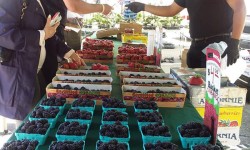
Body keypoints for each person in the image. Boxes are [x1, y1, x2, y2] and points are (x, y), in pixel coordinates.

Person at [126, 0, 246, 68]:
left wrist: (235, 42)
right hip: (196, 45)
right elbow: (170, 10)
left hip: (218, 45)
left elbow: (240, 8)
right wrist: (143, 7)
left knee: (213, 91)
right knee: (194, 88)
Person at [0, 0, 59, 120]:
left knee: (39, 119)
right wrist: (42, 35)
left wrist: (68, 52)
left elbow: (47, 31)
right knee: (26, 128)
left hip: (36, 71)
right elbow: (4, 34)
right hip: (19, 76)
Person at [40, 0, 113, 86]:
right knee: (46, 81)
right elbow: (74, 5)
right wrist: (102, 8)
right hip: (46, 38)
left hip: (50, 35)